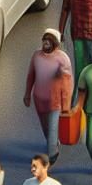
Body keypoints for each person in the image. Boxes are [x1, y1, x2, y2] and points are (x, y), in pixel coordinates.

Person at [23, 29, 73, 164]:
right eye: (44, 40)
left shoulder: (62, 59)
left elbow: (67, 83)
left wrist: (66, 104)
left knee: (51, 130)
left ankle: (52, 155)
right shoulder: (36, 56)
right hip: (39, 101)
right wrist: (27, 94)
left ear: (55, 43)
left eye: (49, 41)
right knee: (46, 129)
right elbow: (30, 75)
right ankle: (53, 142)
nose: (45, 43)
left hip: (55, 102)